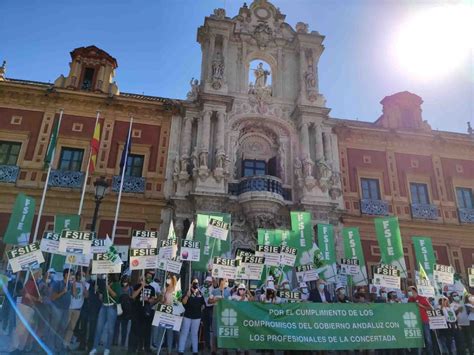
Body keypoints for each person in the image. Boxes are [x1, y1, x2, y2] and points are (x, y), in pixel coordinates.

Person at [10, 268, 42, 354]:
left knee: (25, 331)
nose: (40, 275)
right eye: (39, 273)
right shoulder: (31, 282)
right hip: (25, 307)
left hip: (29, 308)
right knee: (20, 329)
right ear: (36, 273)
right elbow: (27, 295)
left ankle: (20, 348)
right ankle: (14, 348)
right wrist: (37, 299)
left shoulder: (34, 282)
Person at [89, 274, 121, 355]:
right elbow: (102, 297)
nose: (105, 275)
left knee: (110, 330)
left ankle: (107, 348)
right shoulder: (104, 282)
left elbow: (116, 296)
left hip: (112, 307)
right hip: (103, 306)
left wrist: (109, 288)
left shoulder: (116, 284)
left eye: (107, 274)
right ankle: (94, 347)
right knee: (98, 328)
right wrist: (98, 291)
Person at [128, 271, 157, 354]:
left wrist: (147, 299)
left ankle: (142, 348)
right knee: (134, 331)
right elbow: (133, 296)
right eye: (147, 276)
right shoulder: (137, 286)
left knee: (144, 331)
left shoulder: (152, 288)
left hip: (146, 312)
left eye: (150, 277)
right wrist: (141, 286)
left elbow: (152, 300)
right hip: (137, 311)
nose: (148, 278)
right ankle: (132, 349)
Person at [178, 279, 205, 355]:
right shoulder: (187, 291)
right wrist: (187, 295)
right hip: (187, 316)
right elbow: (183, 302)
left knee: (194, 334)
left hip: (197, 317)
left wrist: (201, 307)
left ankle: (195, 351)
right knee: (184, 333)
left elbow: (203, 304)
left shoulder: (200, 293)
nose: (195, 284)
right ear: (191, 283)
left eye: (197, 283)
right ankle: (181, 350)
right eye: (194, 283)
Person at [50, 268, 73, 352]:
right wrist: (63, 292)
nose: (72, 276)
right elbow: (53, 297)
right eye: (71, 274)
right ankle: (50, 347)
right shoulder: (58, 284)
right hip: (58, 309)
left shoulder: (70, 284)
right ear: (66, 275)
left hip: (66, 309)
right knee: (54, 328)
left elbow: (74, 294)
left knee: (62, 328)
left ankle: (58, 347)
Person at [65, 270, 89, 349]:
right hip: (70, 308)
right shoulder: (72, 283)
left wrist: (83, 285)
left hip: (77, 309)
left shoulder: (85, 284)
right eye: (79, 275)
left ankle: (66, 344)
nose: (80, 277)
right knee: (65, 325)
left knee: (71, 328)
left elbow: (86, 296)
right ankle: (59, 342)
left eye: (82, 275)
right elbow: (74, 294)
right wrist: (74, 282)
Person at [408, 286, 434, 355]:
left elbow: (431, 308)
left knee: (428, 339)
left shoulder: (422, 298)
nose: (408, 292)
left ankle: (430, 353)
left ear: (414, 291)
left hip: (424, 321)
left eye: (409, 290)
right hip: (415, 322)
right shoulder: (409, 300)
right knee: (418, 340)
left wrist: (421, 305)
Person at [114, 274, 133, 347]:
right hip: (119, 307)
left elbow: (132, 298)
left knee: (124, 327)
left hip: (127, 310)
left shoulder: (131, 289)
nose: (125, 282)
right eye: (124, 281)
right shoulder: (119, 288)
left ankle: (123, 342)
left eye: (126, 281)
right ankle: (115, 341)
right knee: (116, 325)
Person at [200, 276, 214, 352]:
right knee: (206, 328)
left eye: (208, 281)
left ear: (211, 282)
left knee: (213, 327)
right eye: (206, 281)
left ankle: (213, 345)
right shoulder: (203, 288)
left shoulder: (213, 289)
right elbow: (201, 297)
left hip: (211, 309)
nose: (207, 282)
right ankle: (207, 344)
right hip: (204, 309)